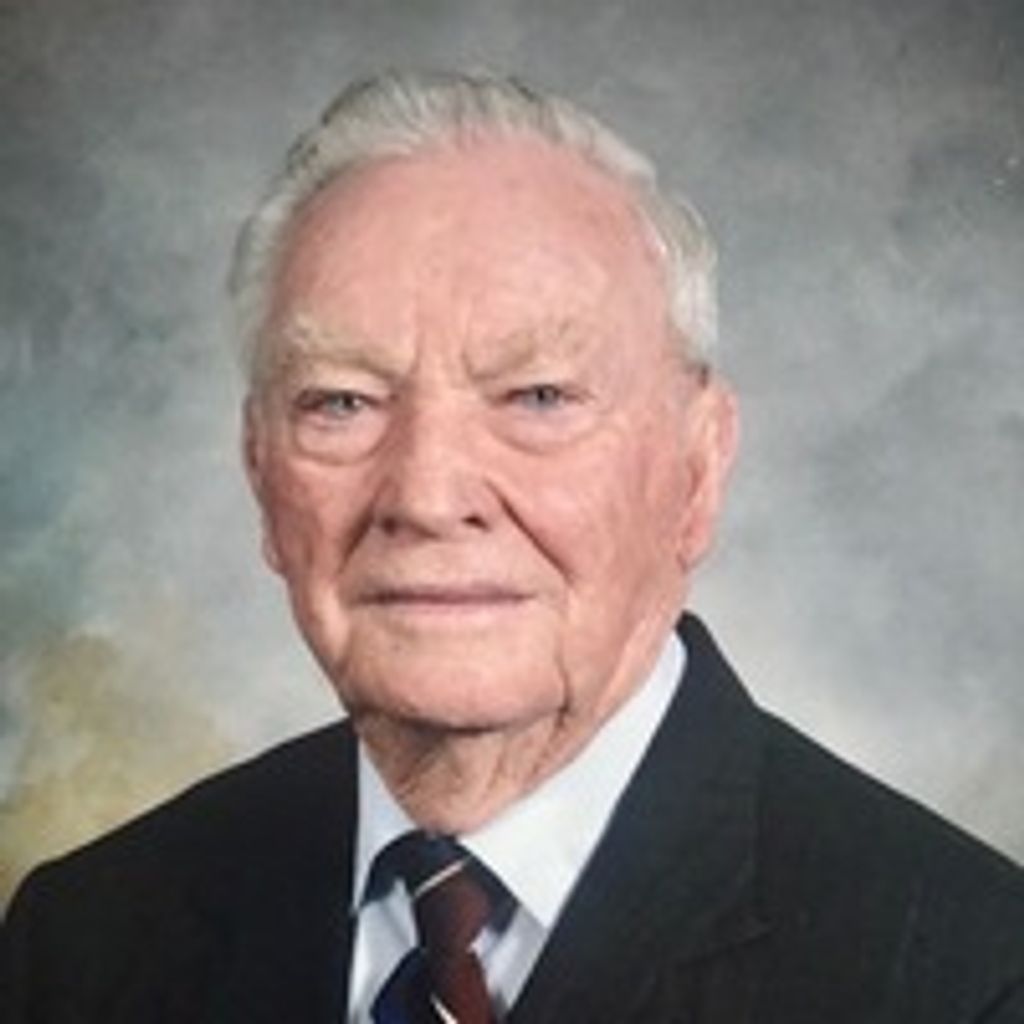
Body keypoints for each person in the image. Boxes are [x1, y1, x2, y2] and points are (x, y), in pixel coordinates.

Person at [2, 69, 1023, 1024]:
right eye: (341, 402)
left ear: (698, 468)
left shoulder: (968, 977)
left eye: (537, 397)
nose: (427, 496)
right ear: (261, 473)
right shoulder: (82, 943)